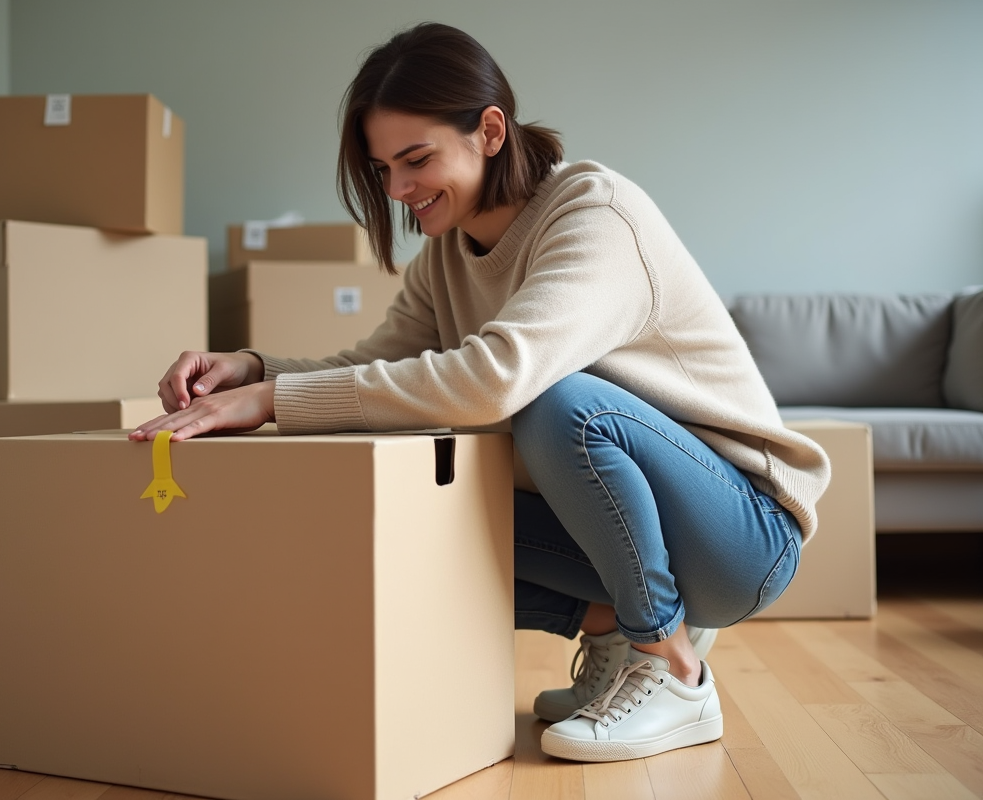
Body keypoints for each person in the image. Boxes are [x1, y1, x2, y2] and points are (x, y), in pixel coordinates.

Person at [130, 21, 830, 763]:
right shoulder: (447, 255)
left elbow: (498, 375)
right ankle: (608, 624)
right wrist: (255, 369)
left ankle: (673, 667)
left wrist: (273, 404)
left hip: (743, 534)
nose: (398, 190)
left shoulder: (595, 216)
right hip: (630, 528)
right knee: (409, 497)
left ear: (489, 130)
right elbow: (372, 368)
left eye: (416, 159)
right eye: (382, 168)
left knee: (556, 403)